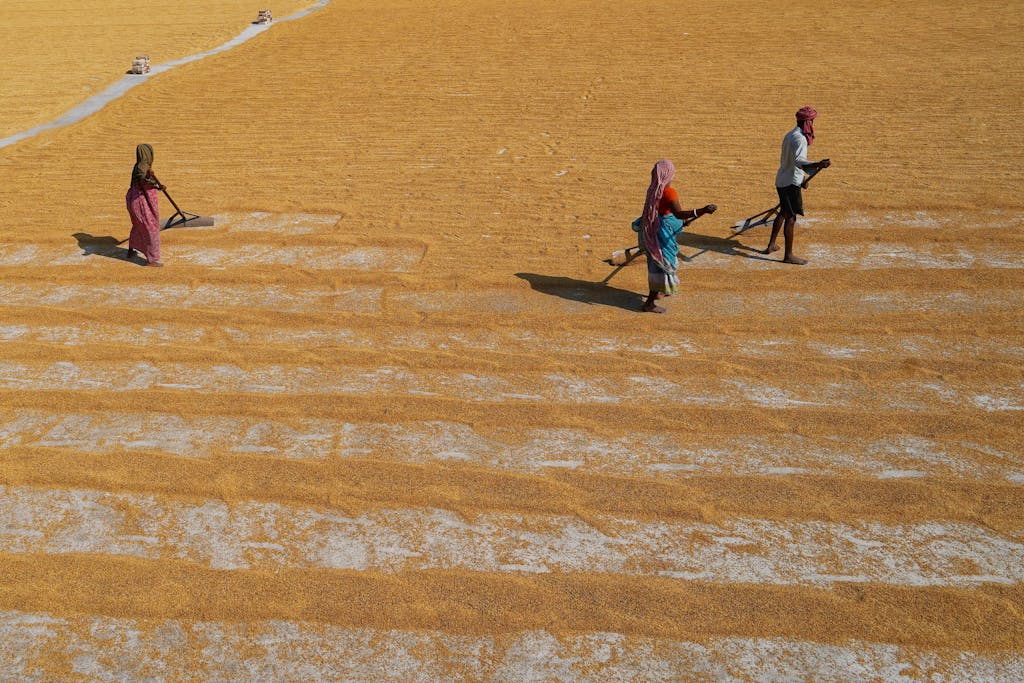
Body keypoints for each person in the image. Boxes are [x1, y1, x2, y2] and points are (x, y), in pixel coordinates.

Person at [634, 159, 717, 313]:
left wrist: (683, 220)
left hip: (653, 231)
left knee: (656, 265)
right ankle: (649, 304)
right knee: (661, 266)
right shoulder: (668, 192)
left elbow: (665, 212)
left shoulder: (653, 188)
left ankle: (658, 292)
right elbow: (678, 214)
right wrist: (702, 210)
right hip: (661, 237)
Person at [764, 106, 831, 264]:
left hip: (782, 179)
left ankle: (771, 245)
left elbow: (790, 161)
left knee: (783, 213)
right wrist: (817, 164)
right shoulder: (800, 139)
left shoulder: (789, 135)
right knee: (791, 217)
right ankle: (788, 256)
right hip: (790, 183)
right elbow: (799, 161)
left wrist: (802, 178)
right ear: (808, 122)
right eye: (812, 121)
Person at [125, 143, 165, 266]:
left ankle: (131, 249)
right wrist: (155, 184)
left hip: (133, 201)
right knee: (151, 228)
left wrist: (158, 186)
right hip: (141, 202)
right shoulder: (142, 166)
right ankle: (152, 260)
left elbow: (144, 179)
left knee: (138, 225)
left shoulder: (139, 165)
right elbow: (143, 180)